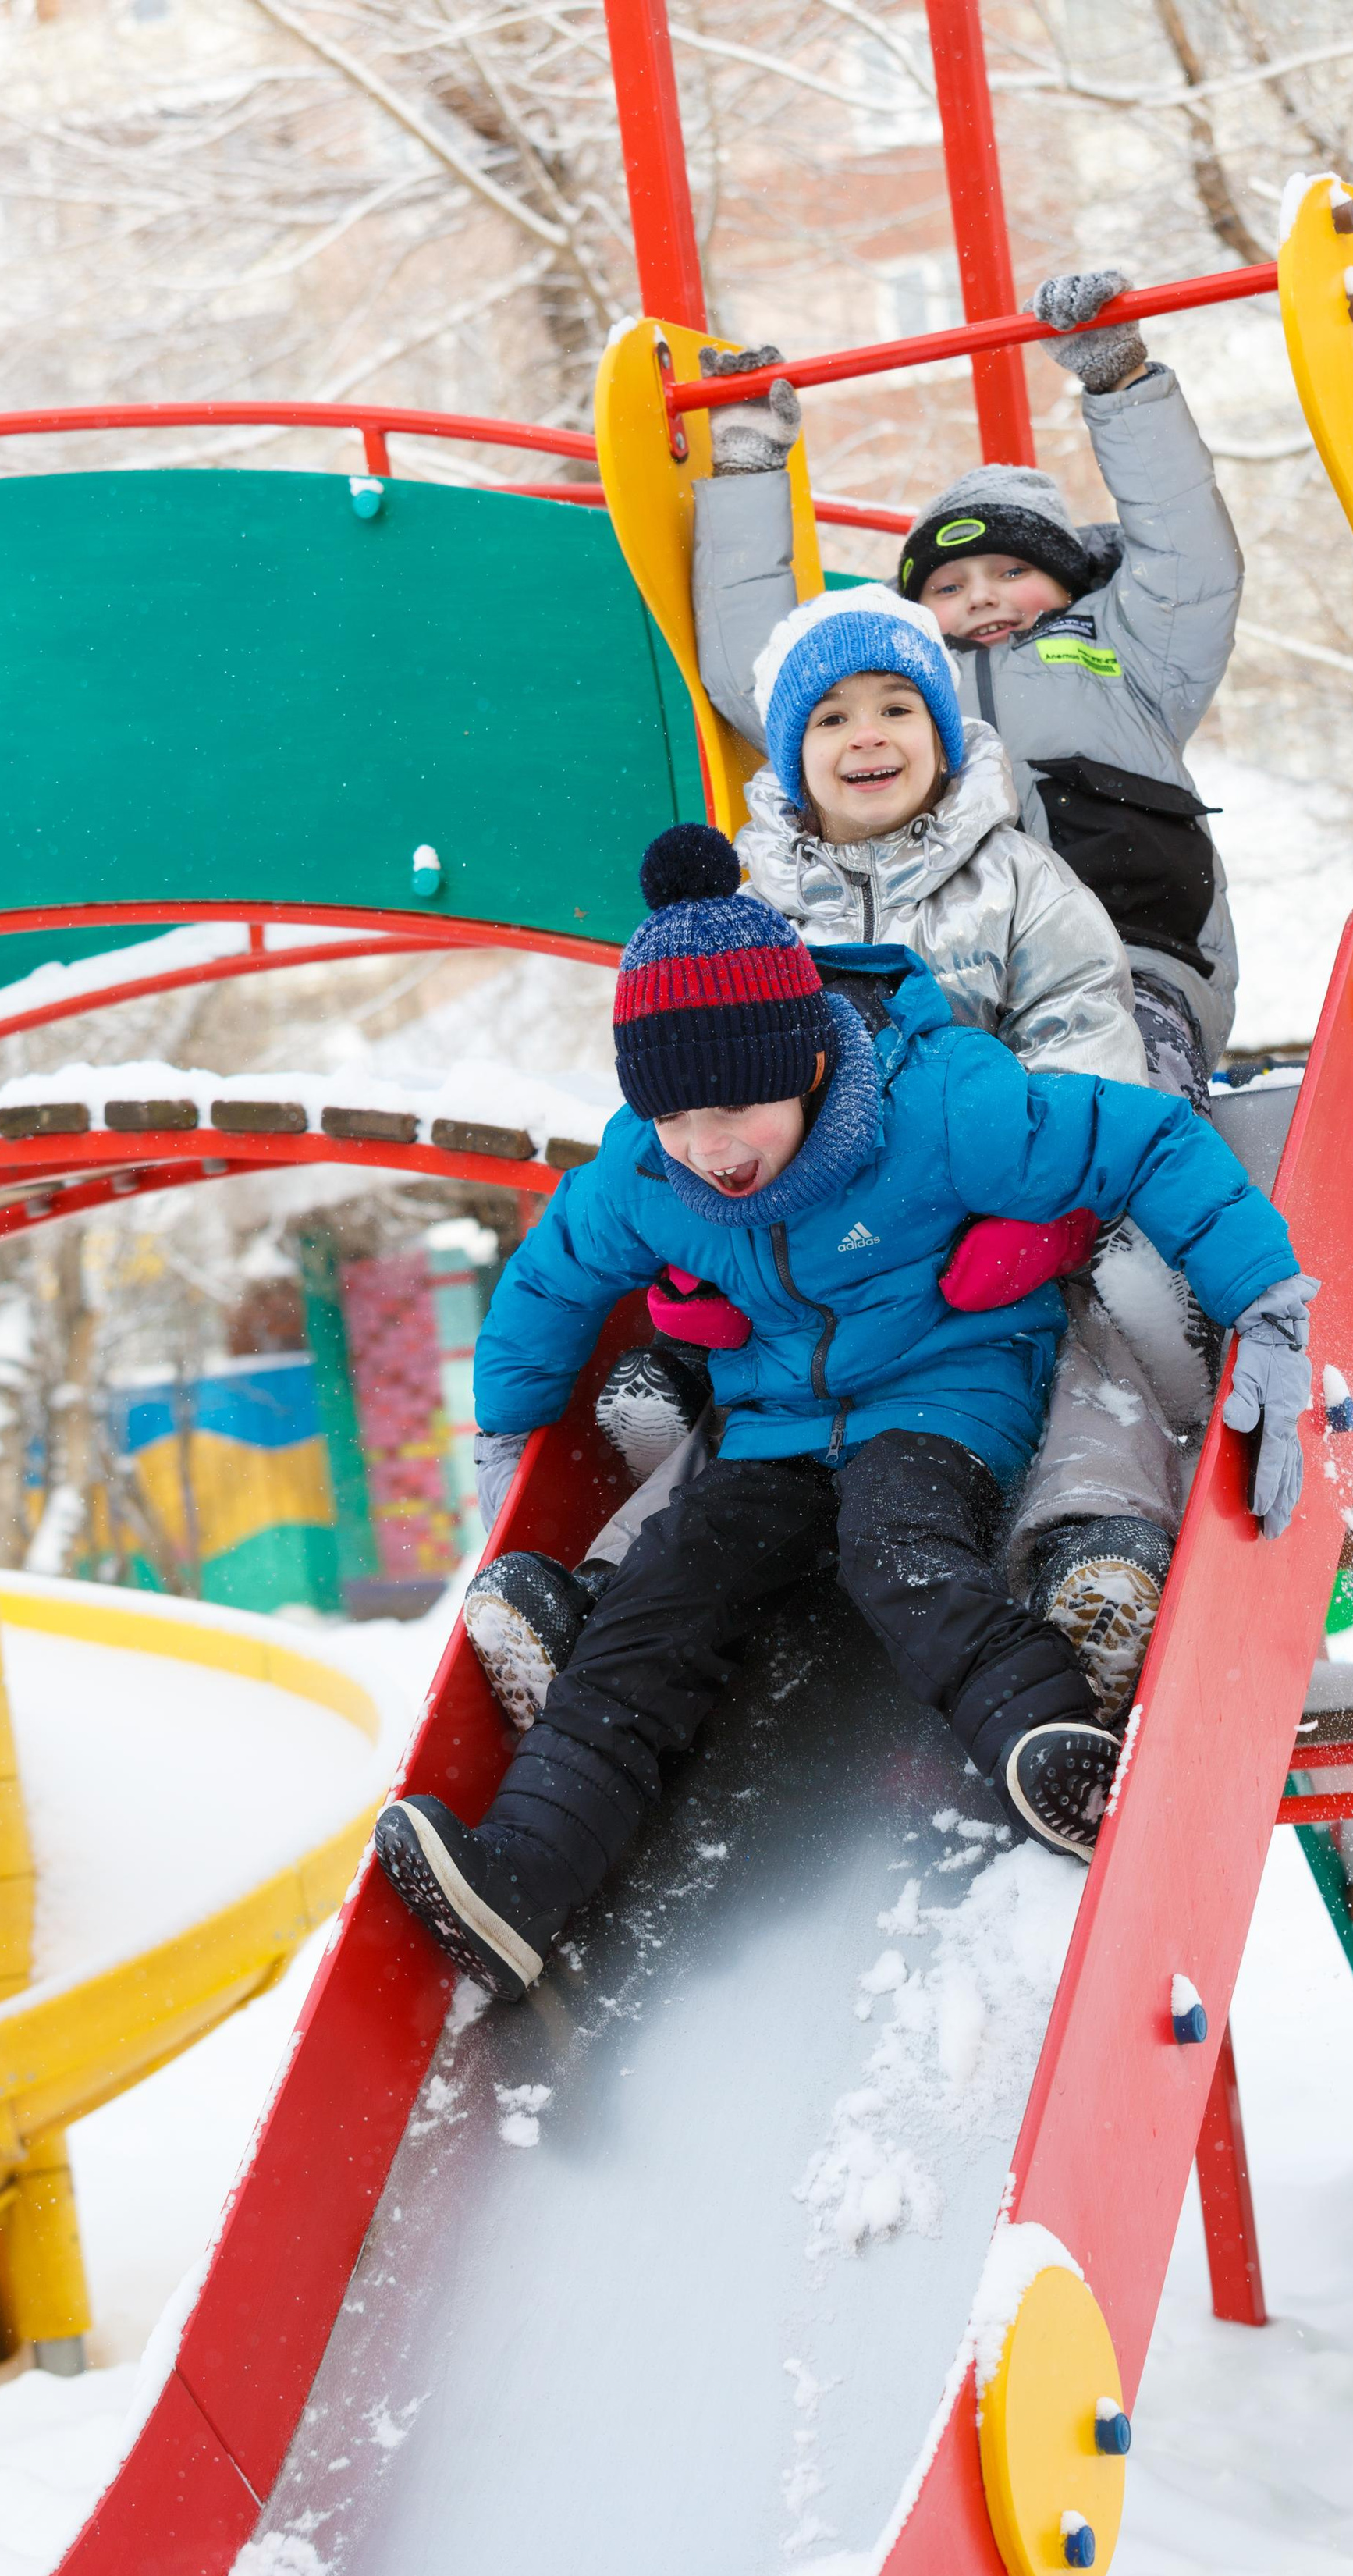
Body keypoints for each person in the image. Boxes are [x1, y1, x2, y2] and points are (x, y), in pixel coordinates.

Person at [377, 826, 1314, 2003]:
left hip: (943, 1387)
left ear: (810, 1061)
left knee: (897, 1548)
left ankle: (1058, 1752)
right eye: (674, 1119)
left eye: (734, 1107)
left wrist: (1263, 1303)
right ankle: (525, 1877)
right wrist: (506, 1437)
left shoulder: (943, 1106)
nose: (708, 1148)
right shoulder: (648, 1175)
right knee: (664, 1594)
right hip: (774, 1424)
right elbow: (550, 1280)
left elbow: (1148, 1141)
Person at [684, 268, 1245, 1704]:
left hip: (1124, 972)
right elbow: (755, 650)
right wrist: (747, 458)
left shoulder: (1126, 663)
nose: (980, 599)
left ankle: (1153, 1293)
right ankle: (725, 1401)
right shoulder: (886, 709)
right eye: (946, 586)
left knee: (1109, 1148)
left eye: (1012, 573)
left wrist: (1119, 378)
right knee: (831, 1189)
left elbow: (1188, 558)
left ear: (1074, 581)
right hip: (932, 1019)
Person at [463, 587, 1143, 1727]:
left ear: (943, 734)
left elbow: (1086, 1036)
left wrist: (1054, 1213)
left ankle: (1091, 1554)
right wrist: (696, 1240)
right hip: (812, 1243)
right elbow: (685, 1079)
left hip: (997, 1219)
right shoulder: (752, 907)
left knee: (1087, 1348)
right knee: (755, 1409)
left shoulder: (1020, 879)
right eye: (831, 718)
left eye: (896, 709)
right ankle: (600, 1601)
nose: (867, 736)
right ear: (792, 755)